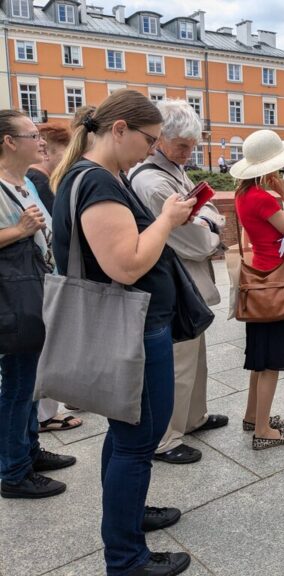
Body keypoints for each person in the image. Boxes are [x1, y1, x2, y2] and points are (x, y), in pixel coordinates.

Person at [50, 90, 195, 575]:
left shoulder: (94, 176)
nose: (151, 148)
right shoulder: (97, 182)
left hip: (135, 325)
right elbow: (126, 265)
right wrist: (168, 220)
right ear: (119, 130)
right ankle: (126, 557)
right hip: (131, 328)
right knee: (138, 441)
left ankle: (127, 518)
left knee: (129, 433)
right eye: (149, 139)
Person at [130, 100, 229, 465]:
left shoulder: (169, 169)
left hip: (184, 278)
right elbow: (198, 239)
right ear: (159, 140)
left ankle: (192, 417)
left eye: (192, 145)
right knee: (178, 361)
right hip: (173, 280)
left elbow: (209, 215)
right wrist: (210, 229)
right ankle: (165, 437)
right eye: (181, 145)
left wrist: (207, 223)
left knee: (194, 356)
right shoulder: (155, 182)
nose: (188, 153)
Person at [0, 110, 77, 500]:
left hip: (35, 292)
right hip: (14, 298)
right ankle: (14, 472)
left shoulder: (24, 182)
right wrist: (19, 230)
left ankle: (27, 451)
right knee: (17, 384)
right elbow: (23, 234)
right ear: (9, 142)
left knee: (28, 380)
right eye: (31, 134)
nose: (40, 140)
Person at [231, 130, 284, 449]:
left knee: (259, 358)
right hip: (273, 282)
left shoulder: (242, 194)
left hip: (258, 279)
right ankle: (262, 429)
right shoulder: (262, 198)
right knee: (272, 361)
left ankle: (252, 416)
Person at [25, 122, 84, 433]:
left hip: (45, 276)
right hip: (41, 279)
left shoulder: (33, 179)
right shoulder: (35, 179)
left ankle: (44, 417)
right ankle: (45, 416)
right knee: (39, 355)